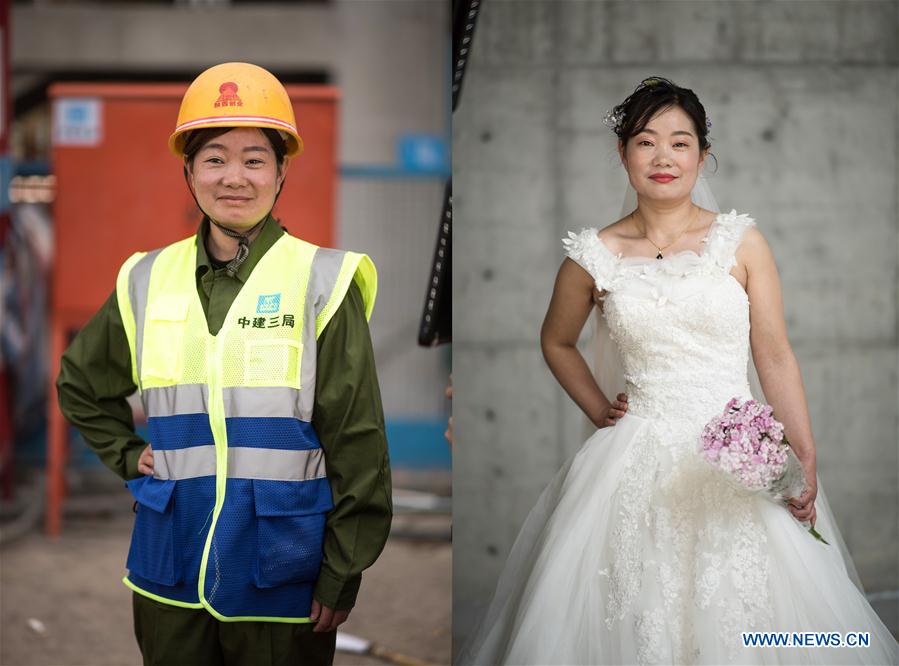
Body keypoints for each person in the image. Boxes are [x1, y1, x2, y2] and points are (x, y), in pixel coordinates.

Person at [457, 77, 898, 665]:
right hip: (634, 462)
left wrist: (804, 454)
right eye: (645, 141)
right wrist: (597, 407)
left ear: (702, 154)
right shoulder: (592, 254)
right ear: (623, 154)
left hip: (740, 455)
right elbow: (557, 340)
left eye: (680, 142)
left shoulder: (741, 243)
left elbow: (774, 354)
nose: (663, 157)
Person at [56, 62, 392, 666]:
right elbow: (81, 384)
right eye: (214, 158)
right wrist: (129, 455)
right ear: (188, 171)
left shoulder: (323, 280)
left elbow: (357, 437)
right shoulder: (145, 278)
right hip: (169, 563)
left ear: (282, 170)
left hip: (278, 568)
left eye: (254, 159)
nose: (234, 177)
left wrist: (343, 570)